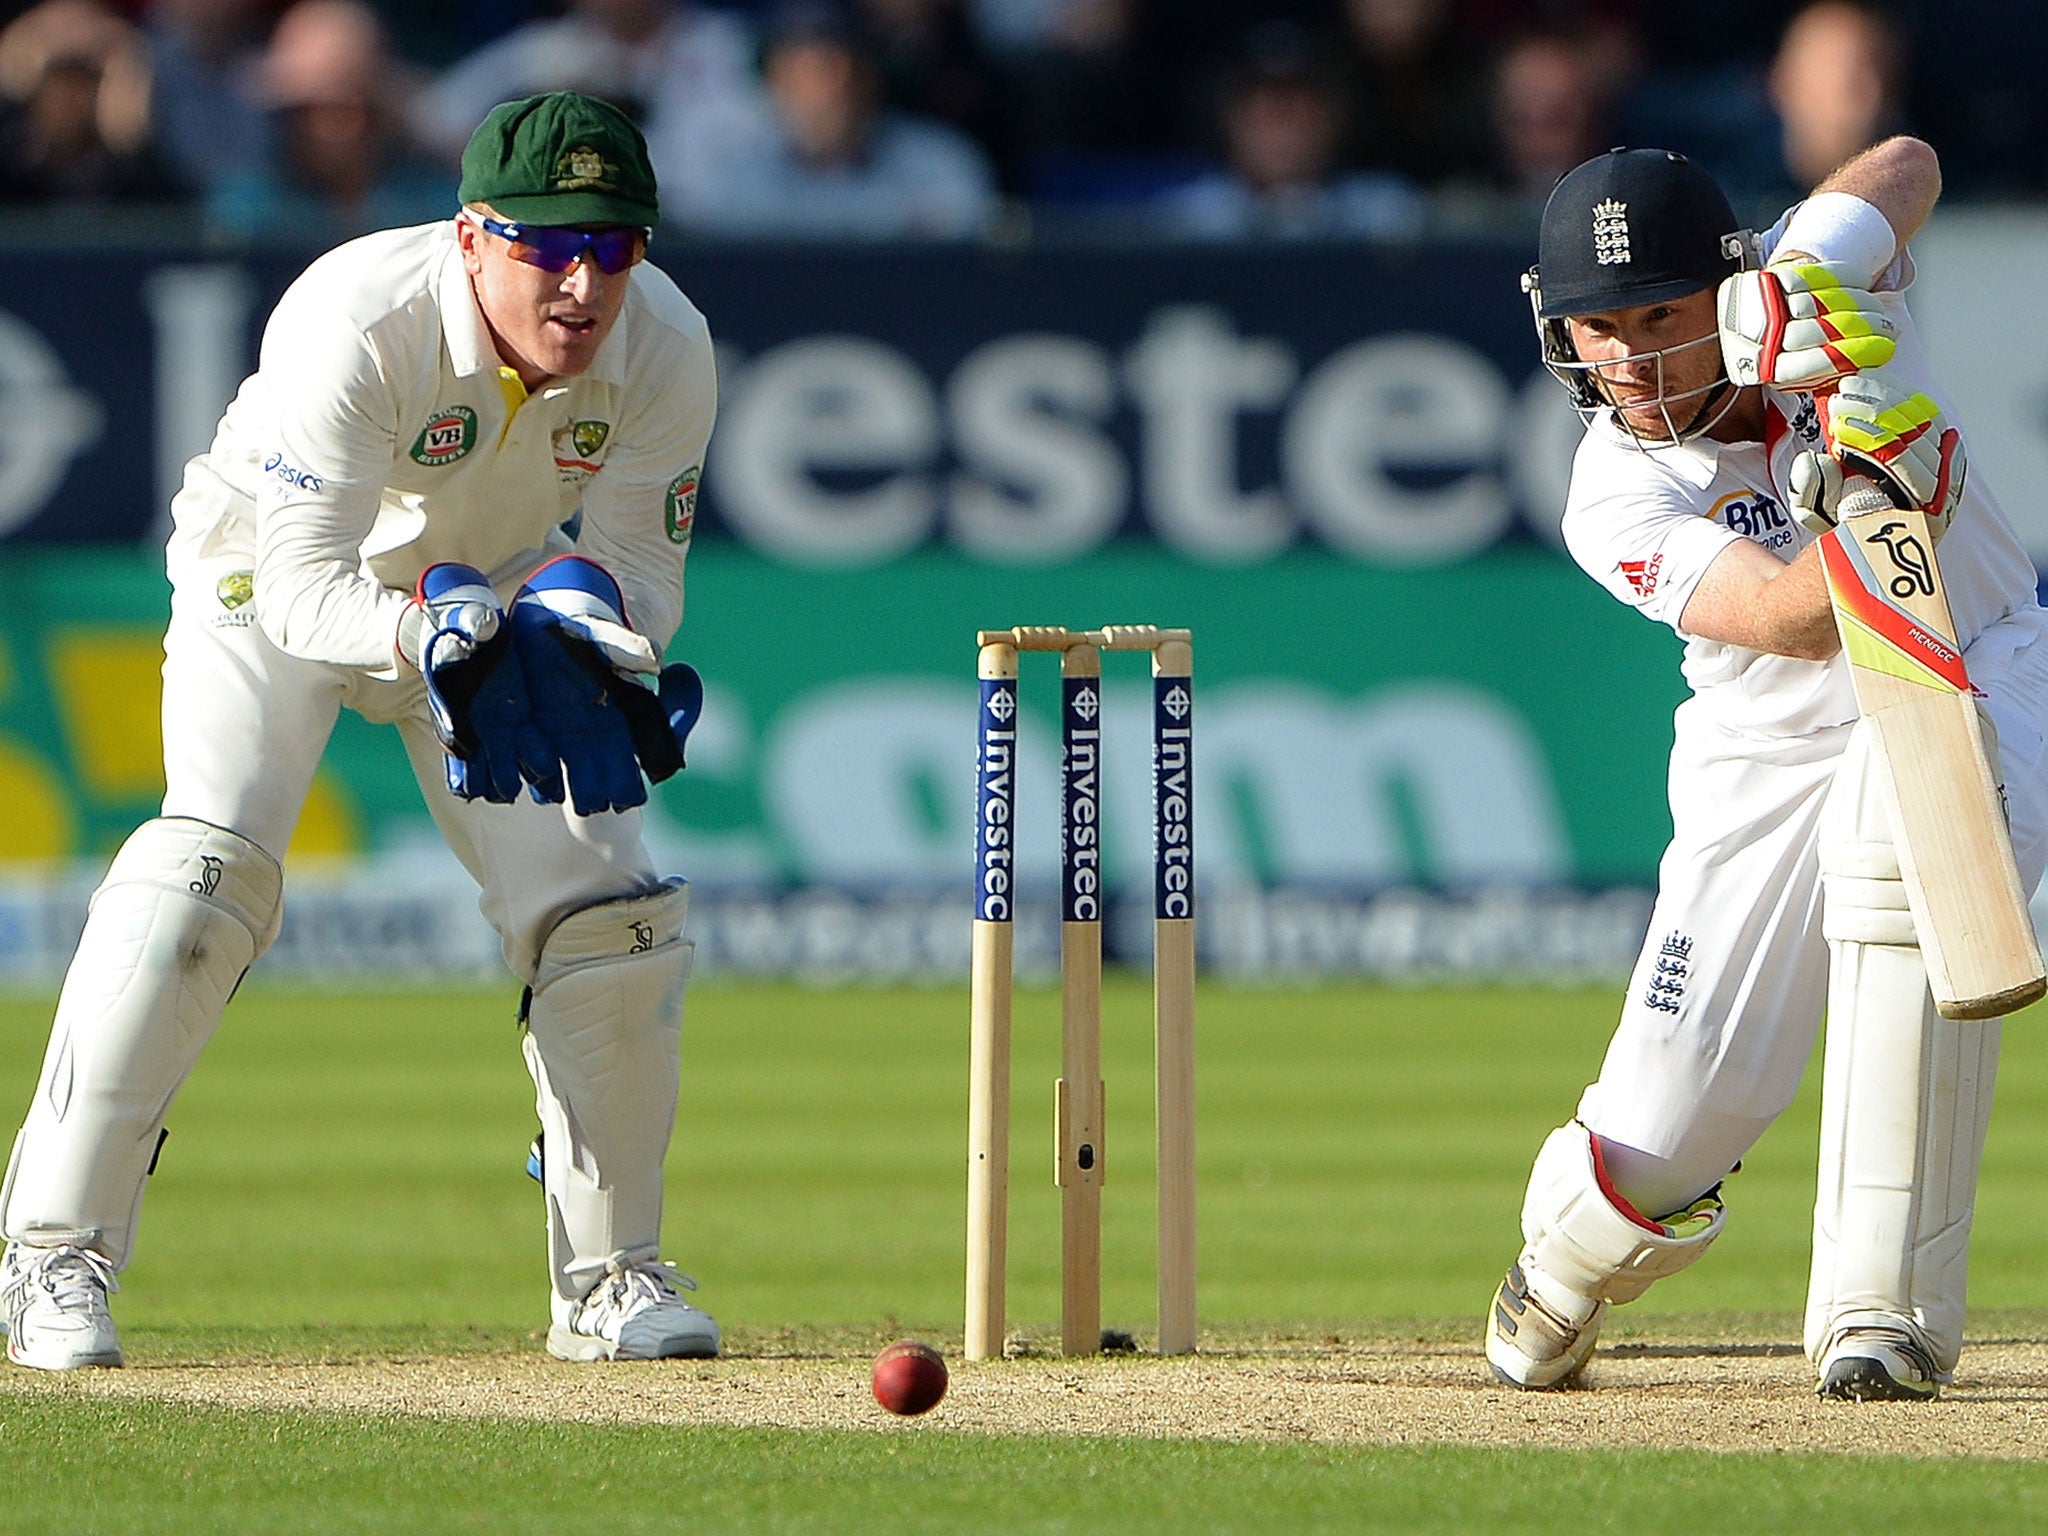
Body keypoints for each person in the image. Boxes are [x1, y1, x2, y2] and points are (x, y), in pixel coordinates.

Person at [0, 90, 722, 1370]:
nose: (581, 282)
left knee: (611, 913)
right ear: (471, 236)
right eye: (547, 246)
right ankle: (48, 1254)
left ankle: (608, 1278)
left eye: (613, 247)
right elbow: (297, 583)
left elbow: (638, 570)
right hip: (269, 582)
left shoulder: (667, 348)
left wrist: (586, 629)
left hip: (490, 593)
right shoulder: (358, 320)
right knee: (202, 876)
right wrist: (430, 638)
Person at [1486, 139, 2048, 1400]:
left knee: (1896, 837)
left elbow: (1907, 162)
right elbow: (1795, 620)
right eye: (1595, 329)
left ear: (1725, 290)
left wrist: (1811, 267)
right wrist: (1882, 493)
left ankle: (1879, 1316)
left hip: (1982, 659)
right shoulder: (1610, 491)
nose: (1626, 359)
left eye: (1657, 318)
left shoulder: (1812, 293)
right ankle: (1562, 1260)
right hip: (1766, 746)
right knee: (1664, 1134)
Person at [678, 0, 997, 240]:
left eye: (844, 69)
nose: (829, 91)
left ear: (874, 78)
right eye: (804, 72)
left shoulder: (941, 164)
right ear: (774, 81)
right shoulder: (730, 176)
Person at [207, 0, 456, 242]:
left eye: (351, 108)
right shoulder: (251, 208)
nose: (338, 126)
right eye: (309, 110)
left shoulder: (433, 205)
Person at [1157, 19, 1423, 241]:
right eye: (1266, 112)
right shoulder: (1187, 223)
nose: (1281, 131)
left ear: (1332, 120)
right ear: (1229, 121)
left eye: (1295, 111)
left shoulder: (1386, 214)